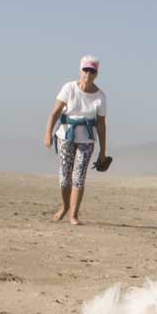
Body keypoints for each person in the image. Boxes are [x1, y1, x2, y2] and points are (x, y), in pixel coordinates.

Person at [43, 55, 108, 225]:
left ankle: (74, 214)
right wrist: (48, 132)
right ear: (80, 70)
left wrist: (103, 150)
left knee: (79, 176)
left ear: (96, 73)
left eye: (92, 71)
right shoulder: (69, 88)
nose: (88, 73)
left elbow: (101, 124)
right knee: (65, 177)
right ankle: (65, 206)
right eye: (86, 70)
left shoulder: (100, 96)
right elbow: (55, 112)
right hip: (65, 135)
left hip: (86, 139)